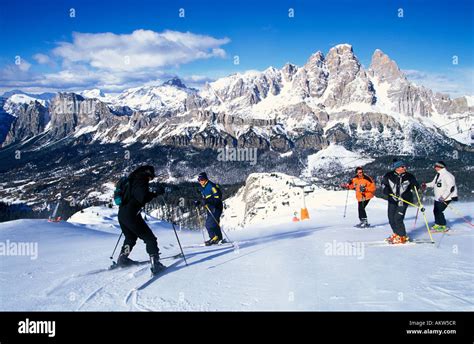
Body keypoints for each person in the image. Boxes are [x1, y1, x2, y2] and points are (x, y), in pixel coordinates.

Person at [117, 165, 166, 275]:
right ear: (148, 173)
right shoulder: (141, 179)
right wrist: (155, 193)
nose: (150, 179)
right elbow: (142, 197)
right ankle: (155, 264)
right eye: (151, 177)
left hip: (122, 214)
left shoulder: (131, 180)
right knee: (150, 238)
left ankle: (122, 259)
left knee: (130, 237)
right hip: (131, 214)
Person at [382, 160, 420, 244]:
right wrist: (386, 190)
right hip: (392, 200)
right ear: (397, 168)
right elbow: (384, 185)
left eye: (404, 166)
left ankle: (402, 236)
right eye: (402, 166)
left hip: (403, 200)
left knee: (398, 218)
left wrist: (415, 186)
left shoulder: (409, 176)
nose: (404, 168)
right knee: (391, 218)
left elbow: (416, 187)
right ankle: (397, 233)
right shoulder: (389, 175)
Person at [421, 161, 457, 232]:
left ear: (440, 167)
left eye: (436, 166)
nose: (435, 167)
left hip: (445, 198)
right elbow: (433, 183)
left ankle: (443, 226)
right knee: (435, 211)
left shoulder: (447, 175)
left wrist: (443, 197)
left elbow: (451, 188)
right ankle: (438, 224)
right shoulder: (438, 175)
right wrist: (426, 185)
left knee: (439, 211)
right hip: (438, 198)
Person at [194, 172, 223, 246]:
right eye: (199, 179)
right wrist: (199, 202)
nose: (200, 181)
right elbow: (205, 198)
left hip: (216, 207)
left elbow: (218, 198)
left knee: (209, 224)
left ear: (205, 179)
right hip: (210, 207)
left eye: (202, 179)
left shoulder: (212, 186)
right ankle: (219, 238)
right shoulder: (203, 187)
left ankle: (214, 238)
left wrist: (207, 201)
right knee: (215, 224)